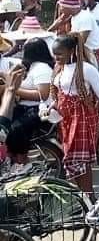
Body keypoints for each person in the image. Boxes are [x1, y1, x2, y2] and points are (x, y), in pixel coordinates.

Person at [49, 34, 99, 193]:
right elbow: (60, 94)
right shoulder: (60, 69)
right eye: (55, 54)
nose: (56, 57)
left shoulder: (87, 69)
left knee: (81, 159)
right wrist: (50, 107)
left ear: (71, 51)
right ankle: (82, 197)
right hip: (66, 120)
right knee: (72, 159)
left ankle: (89, 196)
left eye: (60, 53)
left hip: (82, 118)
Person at [0, 39, 53, 172]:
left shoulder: (42, 68)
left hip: (38, 110)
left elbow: (43, 95)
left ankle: (22, 160)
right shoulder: (31, 67)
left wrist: (12, 88)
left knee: (15, 129)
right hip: (25, 108)